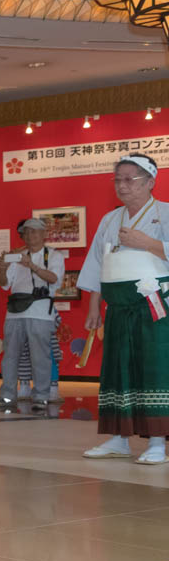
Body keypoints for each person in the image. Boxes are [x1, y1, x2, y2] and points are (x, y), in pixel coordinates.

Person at [79, 154, 169, 462]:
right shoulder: (110, 219)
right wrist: (94, 306)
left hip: (154, 308)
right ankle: (119, 438)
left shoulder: (166, 214)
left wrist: (147, 242)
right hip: (117, 308)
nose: (122, 186)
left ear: (150, 182)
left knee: (153, 371)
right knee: (118, 370)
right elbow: (96, 265)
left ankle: (157, 442)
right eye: (118, 180)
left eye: (130, 179)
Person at [0, 219, 59, 416]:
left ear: (44, 234)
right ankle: (7, 395)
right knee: (9, 356)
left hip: (40, 312)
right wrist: (2, 267)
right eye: (26, 233)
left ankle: (41, 396)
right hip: (15, 311)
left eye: (35, 232)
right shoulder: (14, 257)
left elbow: (54, 279)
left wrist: (32, 266)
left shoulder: (53, 255)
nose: (30, 236)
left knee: (40, 356)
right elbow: (4, 284)